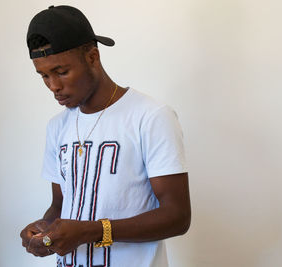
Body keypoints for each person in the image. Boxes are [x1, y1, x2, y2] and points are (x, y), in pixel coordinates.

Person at [20, 5, 191, 267]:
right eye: (44, 75)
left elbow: (177, 217)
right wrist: (44, 232)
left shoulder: (151, 116)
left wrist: (91, 231)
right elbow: (60, 205)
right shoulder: (57, 127)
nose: (53, 86)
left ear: (92, 57)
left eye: (62, 71)